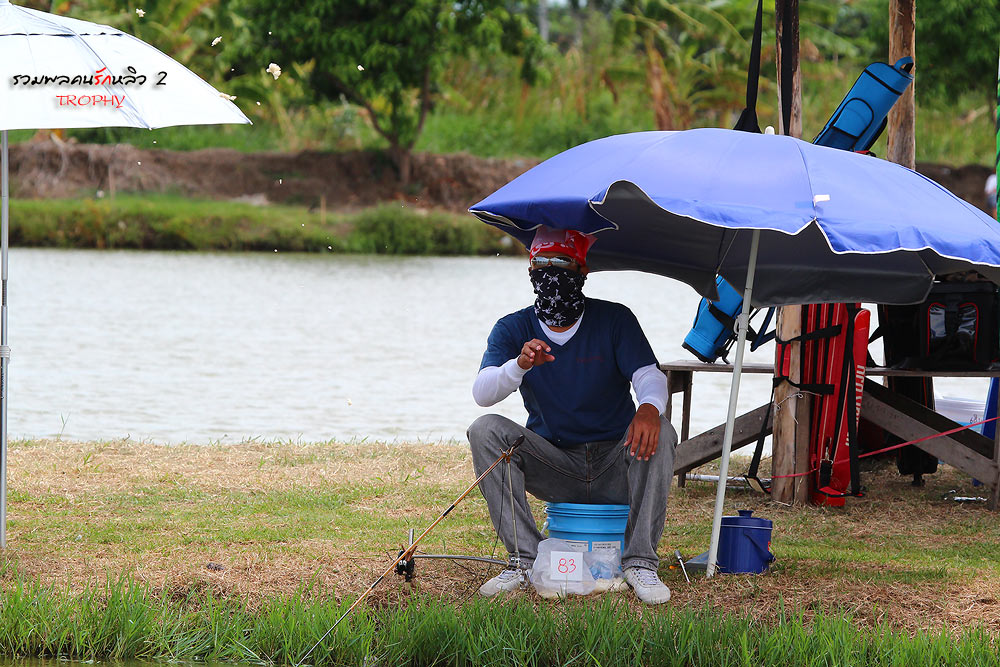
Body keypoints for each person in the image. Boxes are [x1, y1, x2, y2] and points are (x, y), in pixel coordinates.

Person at [467, 226, 676, 605]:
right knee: (484, 430)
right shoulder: (513, 327)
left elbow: (649, 376)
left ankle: (640, 562)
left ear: (583, 271)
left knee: (660, 426)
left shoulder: (614, 319)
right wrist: (519, 365)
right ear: (530, 271)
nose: (550, 273)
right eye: (540, 263)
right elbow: (483, 394)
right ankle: (525, 560)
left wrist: (647, 408)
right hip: (555, 462)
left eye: (562, 262)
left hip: (616, 460)